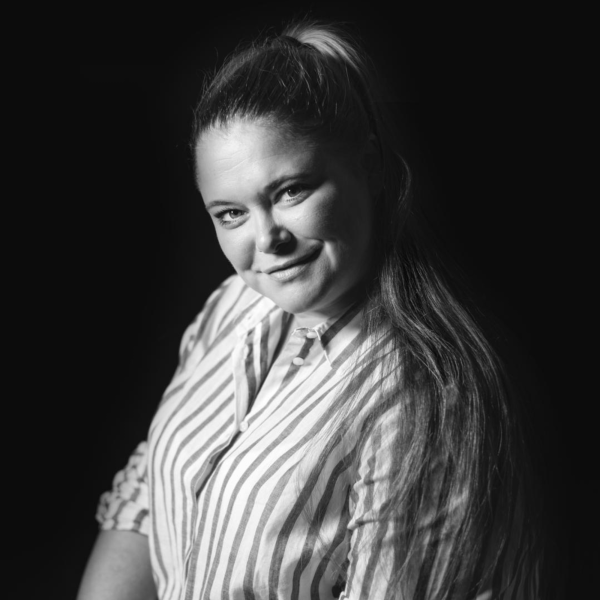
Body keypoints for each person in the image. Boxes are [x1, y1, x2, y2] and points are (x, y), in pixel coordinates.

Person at [77, 20, 548, 600]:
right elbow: (151, 488)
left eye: (290, 191)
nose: (266, 240)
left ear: (370, 166)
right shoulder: (234, 305)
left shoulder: (426, 394)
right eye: (231, 214)